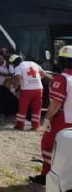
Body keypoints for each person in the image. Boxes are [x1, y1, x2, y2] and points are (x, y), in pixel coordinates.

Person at [30, 45, 72, 185]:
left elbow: (56, 103)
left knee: (48, 146)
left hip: (62, 119)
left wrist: (47, 119)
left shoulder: (62, 79)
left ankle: (48, 175)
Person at [11, 54, 47, 130]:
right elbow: (43, 74)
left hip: (27, 90)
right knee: (37, 108)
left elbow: (18, 79)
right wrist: (35, 81)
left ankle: (20, 125)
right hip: (39, 89)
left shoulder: (18, 67)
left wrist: (15, 87)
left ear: (14, 62)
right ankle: (36, 126)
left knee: (23, 107)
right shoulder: (33, 63)